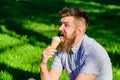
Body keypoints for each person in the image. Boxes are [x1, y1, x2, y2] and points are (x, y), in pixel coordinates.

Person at [40, 7, 112, 80]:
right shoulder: (63, 47)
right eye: (61, 24)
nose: (60, 28)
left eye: (66, 25)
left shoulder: (94, 52)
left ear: (79, 31)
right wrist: (43, 64)